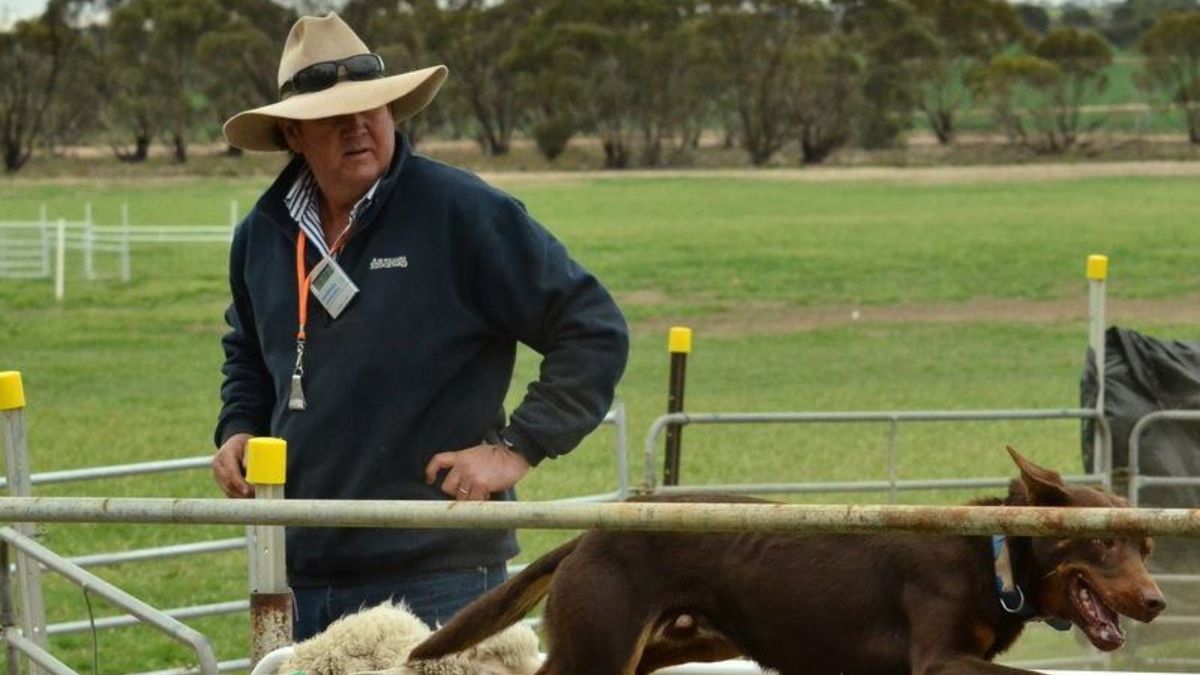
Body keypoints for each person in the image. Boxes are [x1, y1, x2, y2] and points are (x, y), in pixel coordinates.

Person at [210, 12, 629, 641]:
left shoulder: (462, 213)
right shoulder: (262, 234)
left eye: (372, 108)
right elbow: (247, 350)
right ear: (294, 133)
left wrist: (516, 449)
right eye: (334, 115)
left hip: (442, 569)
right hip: (298, 568)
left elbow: (591, 327)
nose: (358, 125)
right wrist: (239, 427)